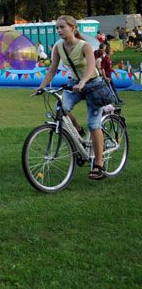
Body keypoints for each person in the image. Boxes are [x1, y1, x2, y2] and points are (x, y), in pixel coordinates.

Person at [38, 15, 111, 180]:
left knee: (94, 124)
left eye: (62, 27)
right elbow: (52, 69)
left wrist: (84, 81)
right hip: (74, 84)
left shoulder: (84, 46)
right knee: (61, 109)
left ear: (73, 28)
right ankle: (77, 129)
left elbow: (92, 65)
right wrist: (41, 87)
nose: (59, 31)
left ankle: (99, 164)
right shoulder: (58, 47)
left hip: (93, 84)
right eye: (57, 28)